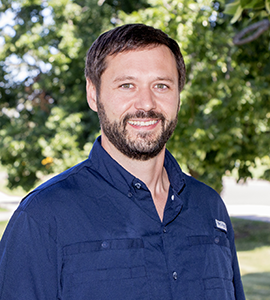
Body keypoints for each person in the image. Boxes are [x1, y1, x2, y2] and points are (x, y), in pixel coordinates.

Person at [0, 24, 245, 300]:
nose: (146, 103)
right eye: (127, 85)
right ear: (93, 95)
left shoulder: (210, 209)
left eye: (161, 85)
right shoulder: (42, 218)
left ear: (178, 96)